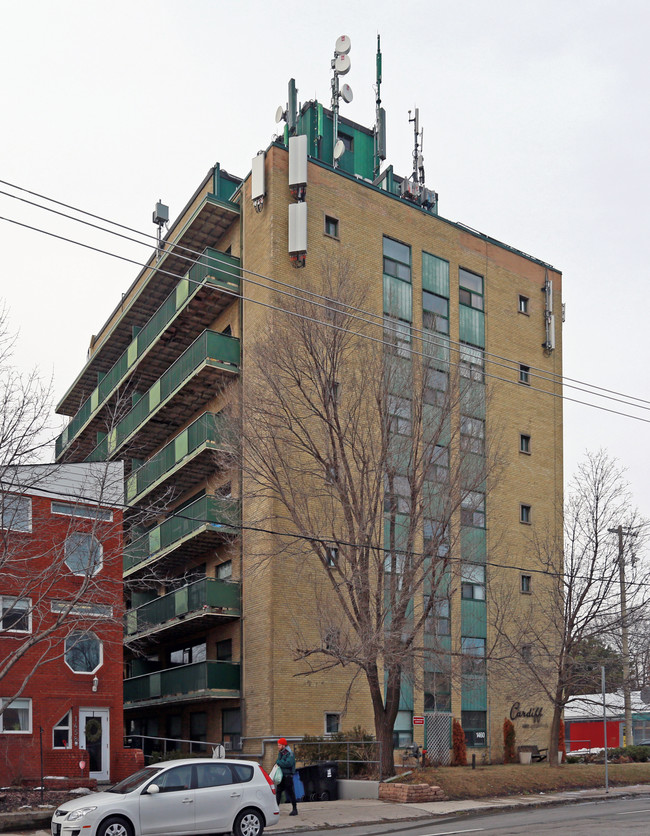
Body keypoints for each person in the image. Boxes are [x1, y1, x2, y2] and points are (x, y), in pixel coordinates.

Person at [276, 737, 298, 816]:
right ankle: (276, 809)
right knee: (278, 792)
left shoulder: (290, 753)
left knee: (290, 792)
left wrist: (279, 762)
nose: (278, 746)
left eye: (279, 745)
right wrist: (280, 762)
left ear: (283, 745)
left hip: (288, 776)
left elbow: (288, 763)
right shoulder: (281, 753)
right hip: (281, 776)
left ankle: (295, 809)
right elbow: (280, 762)